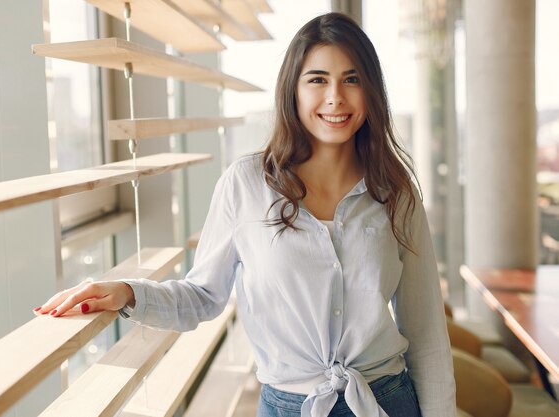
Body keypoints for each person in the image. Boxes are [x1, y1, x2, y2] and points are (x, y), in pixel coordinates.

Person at [36, 12, 456, 417]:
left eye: (352, 79)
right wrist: (129, 292)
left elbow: (426, 336)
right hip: (287, 406)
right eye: (317, 80)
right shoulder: (245, 185)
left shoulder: (395, 195)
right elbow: (202, 296)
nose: (335, 98)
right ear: (292, 90)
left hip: (387, 401)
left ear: (371, 91)